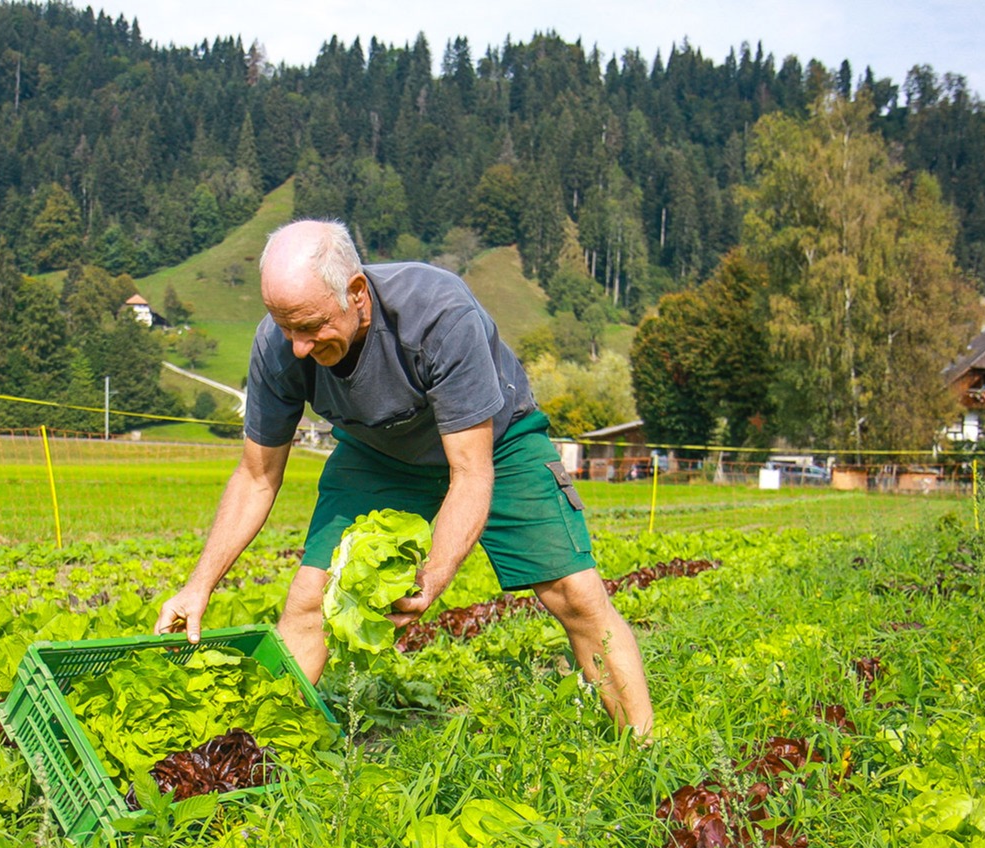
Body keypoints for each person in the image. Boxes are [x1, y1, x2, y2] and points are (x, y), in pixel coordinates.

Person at [154, 220, 652, 737]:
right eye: (284, 326)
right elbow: (257, 477)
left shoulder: (437, 314)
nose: (298, 346)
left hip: (494, 445)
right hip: (378, 453)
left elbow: (471, 472)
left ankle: (642, 749)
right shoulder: (279, 348)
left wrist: (431, 576)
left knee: (576, 594)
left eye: (311, 326)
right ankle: (264, 755)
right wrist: (198, 586)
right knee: (308, 598)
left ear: (357, 293)